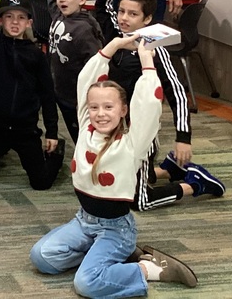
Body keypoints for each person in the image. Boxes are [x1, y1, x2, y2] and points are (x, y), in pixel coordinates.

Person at [29, 42, 199, 296]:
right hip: (84, 221)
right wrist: (116, 44)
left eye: (109, 107)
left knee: (86, 284)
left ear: (123, 110)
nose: (100, 114)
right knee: (41, 257)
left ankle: (148, 269)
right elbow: (87, 79)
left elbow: (149, 106)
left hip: (115, 228)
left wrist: (147, 63)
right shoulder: (86, 127)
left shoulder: (132, 144)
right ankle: (102, 260)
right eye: (94, 107)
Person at [95, 0, 224, 210]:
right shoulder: (116, 35)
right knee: (109, 183)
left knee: (138, 201)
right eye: (122, 11)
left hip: (140, 135)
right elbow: (102, 5)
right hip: (115, 131)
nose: (123, 18)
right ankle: (168, 169)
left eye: (132, 14)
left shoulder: (155, 51)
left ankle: (195, 184)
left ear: (146, 20)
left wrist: (183, 138)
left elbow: (177, 94)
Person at [0, 0, 65, 189]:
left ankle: (58, 153)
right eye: (9, 17)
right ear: (0, 20)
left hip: (25, 129)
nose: (15, 22)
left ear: (29, 22)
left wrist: (51, 133)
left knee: (41, 183)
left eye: (21, 18)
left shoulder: (37, 55)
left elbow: (47, 95)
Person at [48, 0, 106, 142]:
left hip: (77, 98)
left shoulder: (85, 29)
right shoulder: (60, 16)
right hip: (61, 91)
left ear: (82, 0)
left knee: (84, 137)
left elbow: (96, 65)